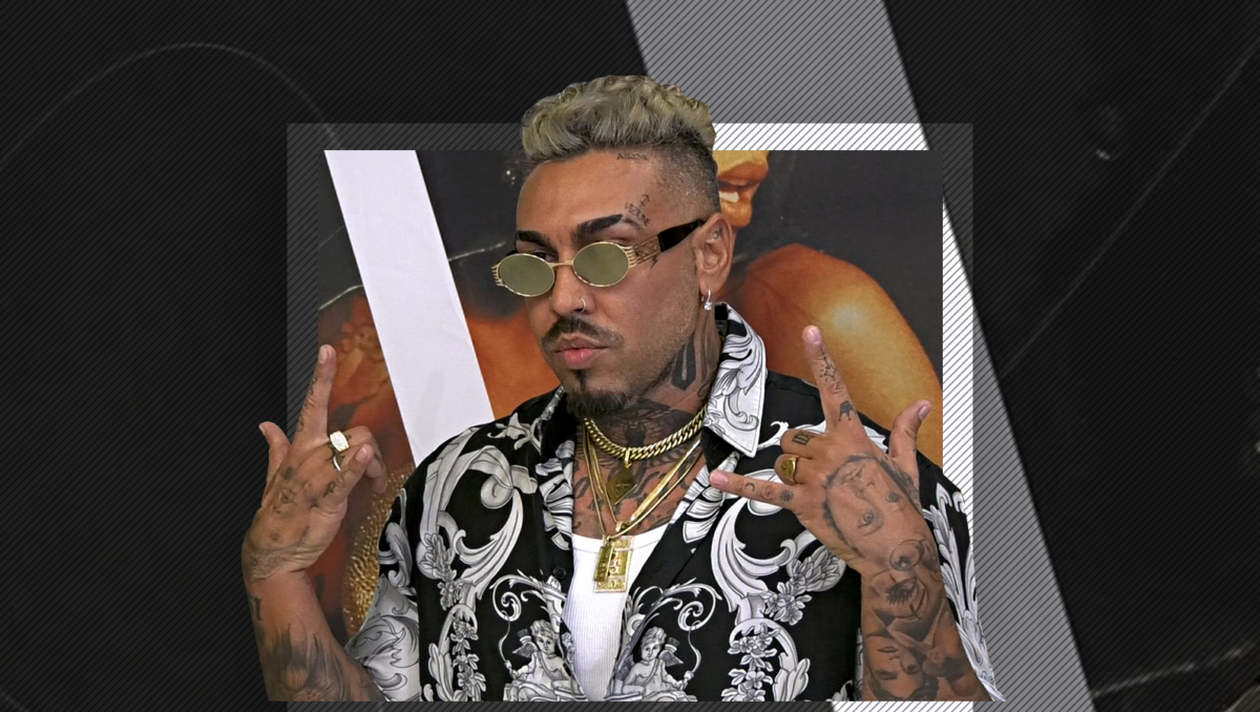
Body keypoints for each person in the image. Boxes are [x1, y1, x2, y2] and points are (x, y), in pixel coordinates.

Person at [241, 75, 1002, 701]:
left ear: (709, 254)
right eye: (536, 264)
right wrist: (277, 576)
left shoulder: (873, 483)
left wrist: (899, 569)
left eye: (606, 257)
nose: (564, 298)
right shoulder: (455, 484)